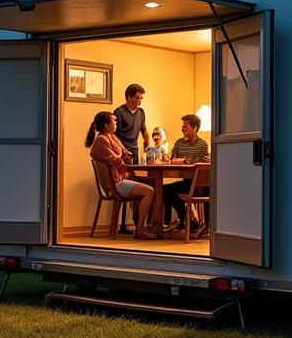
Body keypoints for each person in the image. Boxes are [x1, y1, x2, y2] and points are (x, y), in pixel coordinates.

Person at [85, 111, 157, 240]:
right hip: (116, 182)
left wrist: (124, 156)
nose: (116, 123)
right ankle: (140, 228)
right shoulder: (102, 140)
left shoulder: (112, 137)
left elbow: (124, 153)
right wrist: (123, 157)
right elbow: (116, 160)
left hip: (121, 177)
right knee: (150, 190)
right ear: (107, 125)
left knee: (152, 183)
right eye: (114, 121)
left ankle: (150, 225)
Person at [163, 113, 210, 232]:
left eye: (185, 126)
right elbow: (170, 159)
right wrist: (181, 160)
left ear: (194, 128)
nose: (182, 128)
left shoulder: (202, 145)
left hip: (199, 184)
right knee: (162, 190)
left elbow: (204, 162)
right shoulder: (179, 143)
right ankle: (185, 217)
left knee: (209, 188)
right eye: (182, 126)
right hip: (186, 182)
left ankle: (208, 225)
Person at [113, 84, 149, 165]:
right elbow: (113, 136)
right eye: (137, 98)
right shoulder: (119, 112)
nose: (139, 100)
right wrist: (122, 151)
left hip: (135, 152)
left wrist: (146, 151)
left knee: (135, 176)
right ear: (129, 97)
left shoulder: (141, 112)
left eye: (141, 98)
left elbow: (145, 132)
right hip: (122, 152)